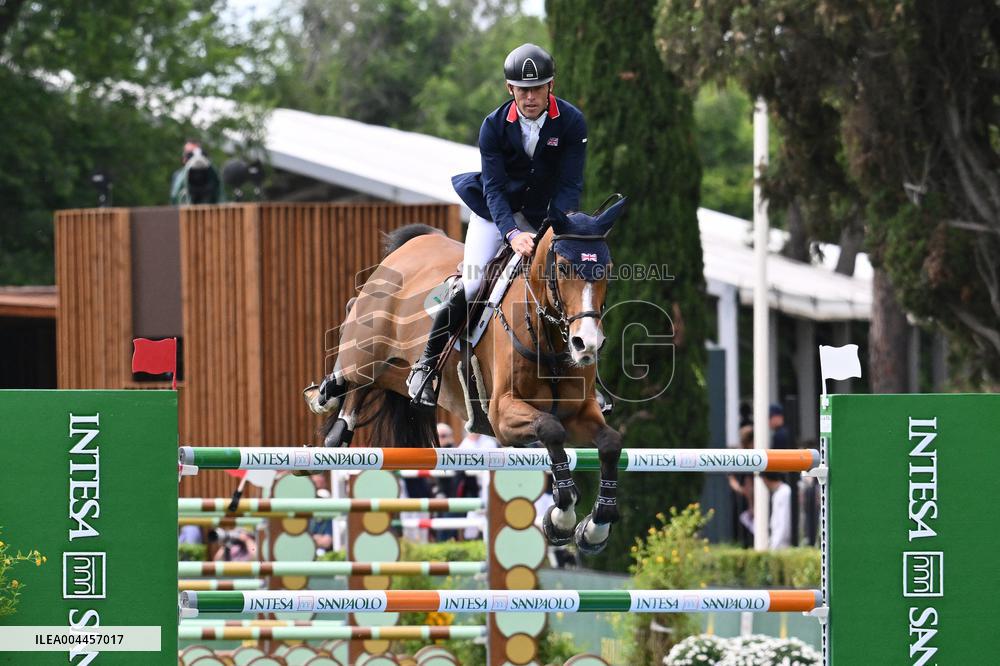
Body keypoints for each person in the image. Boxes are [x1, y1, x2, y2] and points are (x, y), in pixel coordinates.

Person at [407, 43, 588, 407]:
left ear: (550, 87)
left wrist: (554, 229)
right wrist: (512, 233)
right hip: (496, 214)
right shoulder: (492, 126)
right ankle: (426, 365)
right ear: (510, 90)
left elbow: (570, 186)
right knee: (474, 281)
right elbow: (493, 189)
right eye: (523, 90)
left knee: (573, 282)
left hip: (545, 217)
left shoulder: (571, 122)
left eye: (538, 89)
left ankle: (585, 379)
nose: (530, 97)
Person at [170, 140, 224, 205]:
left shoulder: (213, 174)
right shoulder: (178, 175)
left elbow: (220, 197)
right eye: (189, 154)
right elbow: (175, 199)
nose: (194, 159)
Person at [761, 472, 792, 549]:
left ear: (765, 479)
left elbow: (783, 523)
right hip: (778, 542)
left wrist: (774, 546)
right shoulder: (778, 493)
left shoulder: (784, 492)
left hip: (782, 544)